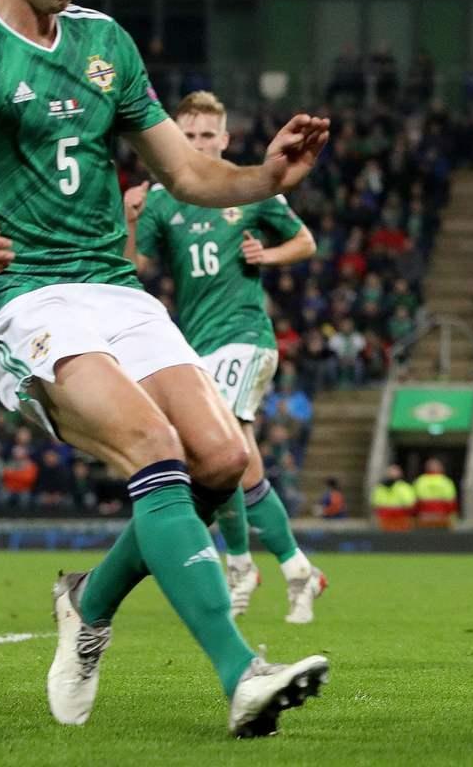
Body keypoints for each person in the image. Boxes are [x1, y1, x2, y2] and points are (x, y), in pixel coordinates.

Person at [0, 0, 330, 736]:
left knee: (225, 462)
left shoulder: (106, 41)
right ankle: (241, 673)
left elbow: (184, 172)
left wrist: (266, 174)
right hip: (22, 296)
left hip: (114, 287)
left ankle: (89, 602)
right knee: (153, 442)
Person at [124, 89, 328, 625]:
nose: (198, 144)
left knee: (217, 449)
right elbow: (133, 270)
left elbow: (305, 241)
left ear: (225, 139)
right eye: (188, 136)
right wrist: (128, 219)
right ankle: (295, 566)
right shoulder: (164, 199)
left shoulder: (249, 188)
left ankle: (238, 564)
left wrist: (270, 253)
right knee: (242, 463)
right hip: (194, 346)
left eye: (207, 136)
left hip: (245, 336)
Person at [413, 457, 459, 528]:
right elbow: (451, 504)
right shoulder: (446, 482)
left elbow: (415, 503)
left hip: (424, 518)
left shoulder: (420, 481)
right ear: (441, 468)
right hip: (442, 518)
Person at [370, 463, 416, 530]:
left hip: (400, 517)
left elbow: (410, 503)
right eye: (390, 471)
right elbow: (374, 503)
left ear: (400, 474)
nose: (392, 474)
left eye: (395, 472)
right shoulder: (380, 487)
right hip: (384, 518)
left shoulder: (405, 487)